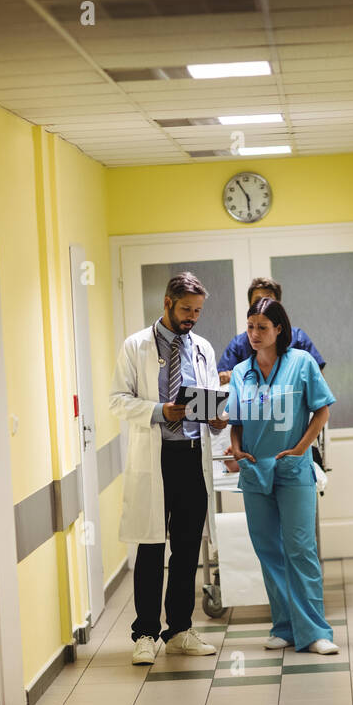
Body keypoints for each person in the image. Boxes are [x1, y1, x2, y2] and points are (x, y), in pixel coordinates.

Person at [110, 272, 229, 665]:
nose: (191, 317)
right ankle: (144, 633)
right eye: (185, 310)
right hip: (155, 457)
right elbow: (117, 400)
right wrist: (160, 411)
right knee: (150, 546)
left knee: (186, 547)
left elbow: (210, 395)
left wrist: (216, 417)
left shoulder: (204, 349)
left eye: (196, 311)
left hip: (192, 456)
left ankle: (179, 629)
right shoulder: (136, 346)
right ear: (166, 303)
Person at [226, 297, 339, 654]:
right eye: (250, 327)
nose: (255, 334)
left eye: (263, 327)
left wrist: (301, 449)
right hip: (255, 471)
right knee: (268, 551)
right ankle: (285, 626)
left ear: (279, 329)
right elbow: (235, 422)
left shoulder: (301, 363)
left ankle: (316, 631)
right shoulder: (242, 372)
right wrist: (237, 448)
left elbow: (321, 413)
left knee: (301, 549)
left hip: (292, 470)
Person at [216, 278, 325, 386]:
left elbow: (318, 387)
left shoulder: (300, 346)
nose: (263, 305)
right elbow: (221, 380)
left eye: (263, 328)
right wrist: (229, 377)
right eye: (258, 301)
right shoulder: (240, 351)